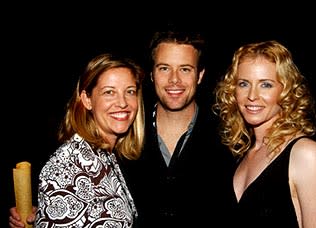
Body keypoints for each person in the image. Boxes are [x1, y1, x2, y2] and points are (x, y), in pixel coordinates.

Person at [9, 53, 145, 227]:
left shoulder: (106, 156)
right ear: (87, 99)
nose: (122, 103)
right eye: (109, 92)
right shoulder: (66, 165)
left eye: (130, 91)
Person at [212, 40, 316, 227]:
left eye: (266, 85)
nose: (252, 95)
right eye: (244, 83)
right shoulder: (240, 155)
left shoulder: (305, 154)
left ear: (285, 90)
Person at [121, 29, 236, 228]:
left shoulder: (230, 137)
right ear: (151, 74)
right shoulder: (125, 132)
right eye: (164, 68)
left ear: (200, 75)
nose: (174, 79)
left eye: (185, 69)